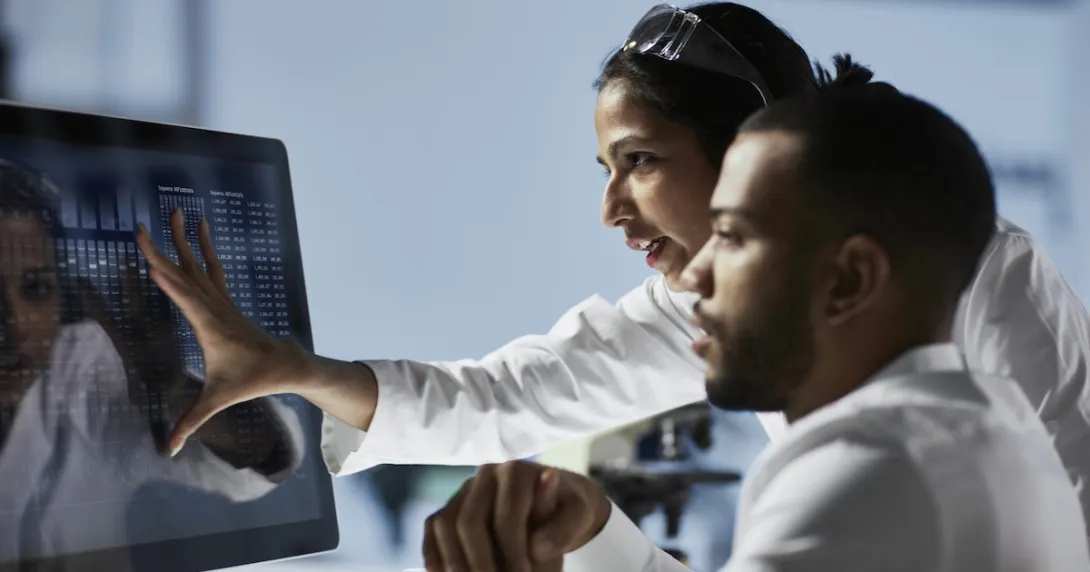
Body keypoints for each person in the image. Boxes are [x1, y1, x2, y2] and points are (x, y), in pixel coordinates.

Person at [136, 0, 1090, 532]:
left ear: (755, 149)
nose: (612, 210)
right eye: (605, 169)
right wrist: (297, 373)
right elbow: (505, 398)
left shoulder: (980, 276)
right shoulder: (702, 303)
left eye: (640, 161)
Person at [421, 74, 1090, 572]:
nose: (696, 277)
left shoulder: (871, 471)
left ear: (850, 278)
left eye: (734, 237)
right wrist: (596, 534)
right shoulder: (985, 435)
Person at [0, 158, 304, 568]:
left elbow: (268, 458)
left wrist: (178, 393)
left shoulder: (85, 372)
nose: (15, 323)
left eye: (36, 289)